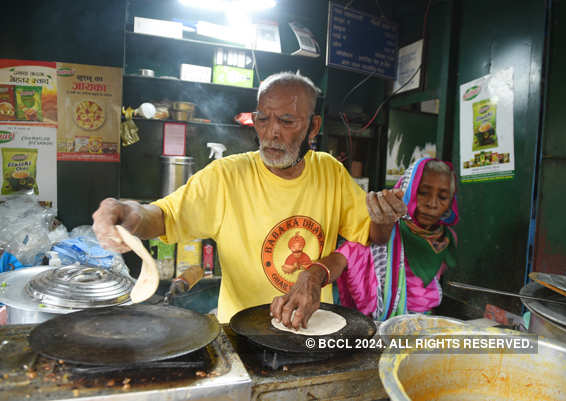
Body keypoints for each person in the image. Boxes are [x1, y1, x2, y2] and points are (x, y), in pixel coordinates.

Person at [92, 71, 405, 329]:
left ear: (313, 128)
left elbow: (370, 238)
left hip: (313, 327)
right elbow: (160, 216)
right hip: (242, 334)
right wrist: (126, 211)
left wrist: (383, 217)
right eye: (263, 119)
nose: (271, 133)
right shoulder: (225, 177)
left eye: (286, 121)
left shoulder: (331, 173)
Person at [335, 157, 459, 319]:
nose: (432, 203)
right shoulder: (386, 229)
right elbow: (345, 254)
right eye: (423, 192)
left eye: (442, 197)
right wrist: (317, 275)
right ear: (407, 190)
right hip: (383, 325)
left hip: (424, 324)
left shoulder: (447, 239)